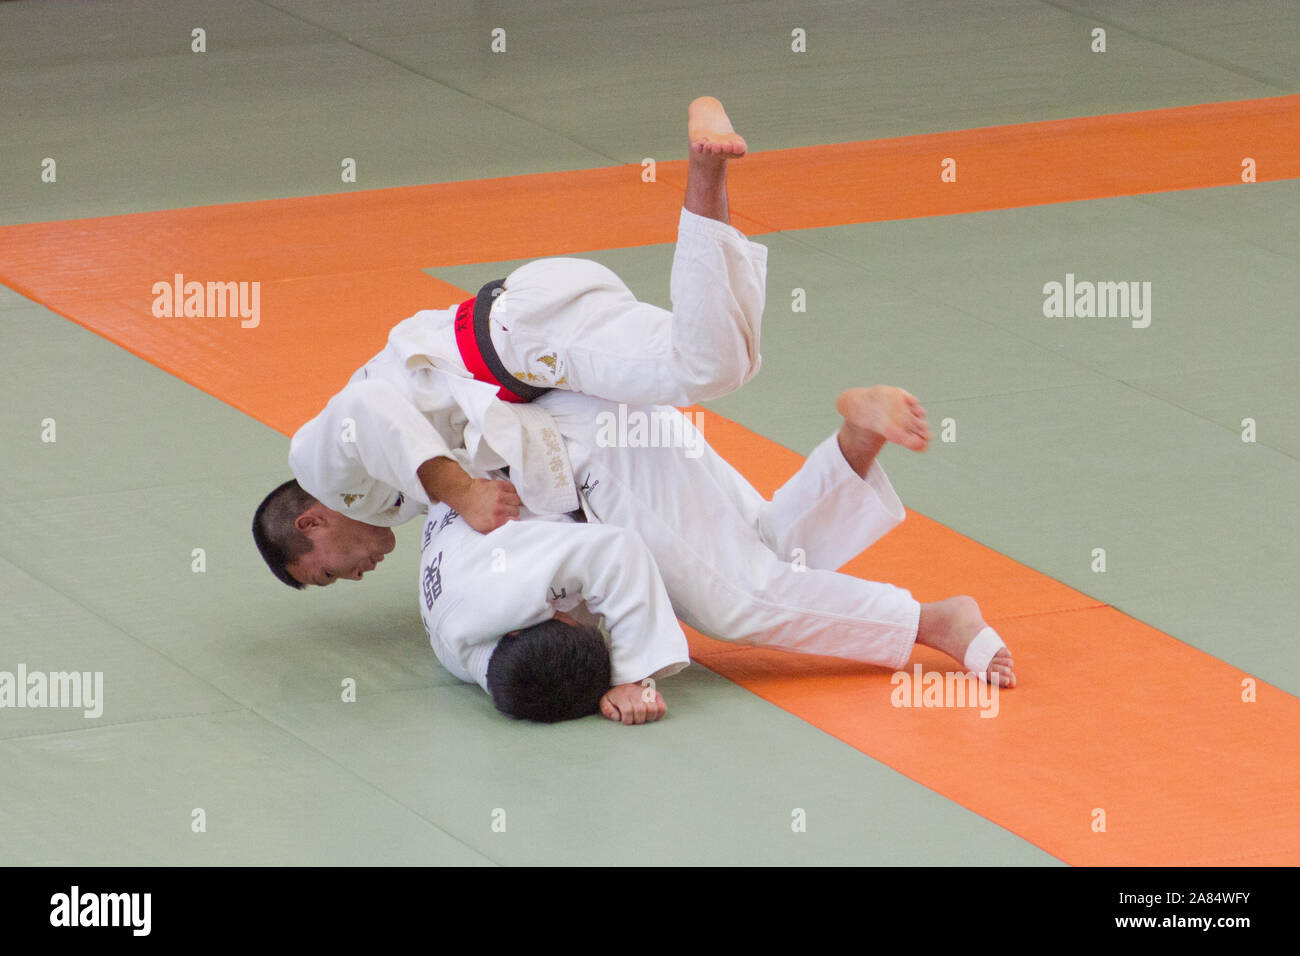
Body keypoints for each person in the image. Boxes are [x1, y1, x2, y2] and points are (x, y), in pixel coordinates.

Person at [253, 97, 767, 590]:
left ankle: (705, 167)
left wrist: (466, 495)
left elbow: (367, 406)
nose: (354, 578)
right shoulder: (389, 498)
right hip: (533, 360)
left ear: (310, 526)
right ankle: (710, 175)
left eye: (327, 574)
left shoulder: (316, 465)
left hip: (520, 339)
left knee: (707, 365)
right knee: (729, 360)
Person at [415, 385, 1016, 725]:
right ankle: (856, 441)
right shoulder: (473, 651)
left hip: (584, 455)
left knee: (735, 601)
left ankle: (935, 621)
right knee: (763, 550)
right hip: (593, 426)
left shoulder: (503, 592)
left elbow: (618, 553)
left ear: (545, 617)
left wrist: (630, 675)